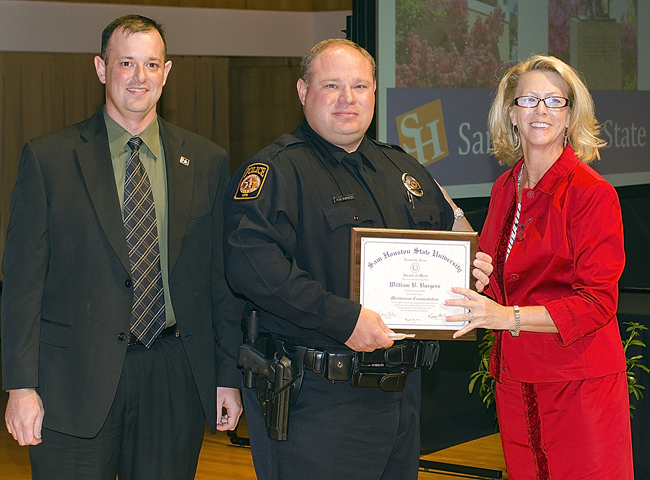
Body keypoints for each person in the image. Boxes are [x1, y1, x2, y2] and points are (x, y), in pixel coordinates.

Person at [223, 38, 493, 480]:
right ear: (302, 91)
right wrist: (344, 319)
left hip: (401, 396)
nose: (348, 99)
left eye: (360, 86)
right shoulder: (277, 171)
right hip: (318, 400)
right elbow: (253, 268)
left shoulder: (401, 169)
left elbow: (451, 238)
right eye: (332, 85)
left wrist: (470, 268)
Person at [1, 15, 243, 480]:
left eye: (151, 64)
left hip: (173, 376)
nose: (139, 77)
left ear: (167, 72)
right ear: (100, 68)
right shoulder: (49, 158)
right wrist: (20, 386)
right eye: (126, 63)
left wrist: (226, 376)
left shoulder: (207, 161)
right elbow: (22, 286)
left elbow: (220, 282)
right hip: (73, 380)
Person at [446, 55, 633, 478]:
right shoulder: (504, 186)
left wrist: (503, 315)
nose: (541, 110)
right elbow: (502, 281)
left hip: (578, 387)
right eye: (528, 99)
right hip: (516, 382)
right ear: (511, 113)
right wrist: (478, 277)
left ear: (570, 116)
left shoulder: (591, 193)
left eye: (554, 101)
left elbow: (596, 302)